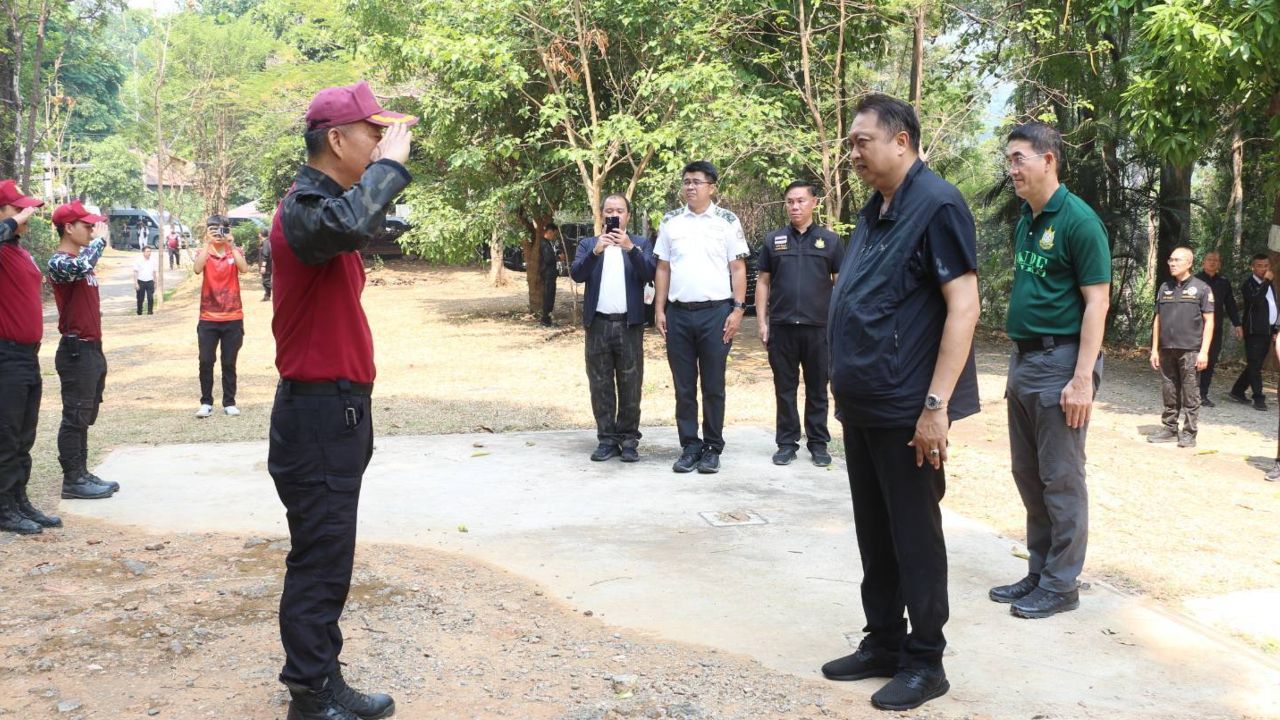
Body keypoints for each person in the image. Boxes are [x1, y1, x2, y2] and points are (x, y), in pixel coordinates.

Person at [821, 94, 979, 712]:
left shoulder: (936, 203)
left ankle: (926, 660)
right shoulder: (876, 208)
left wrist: (935, 406)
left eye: (863, 141)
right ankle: (883, 641)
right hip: (862, 405)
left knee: (914, 535)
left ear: (902, 141)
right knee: (875, 534)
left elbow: (964, 306)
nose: (853, 151)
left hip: (907, 409)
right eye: (851, 142)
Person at [268, 79, 414, 720]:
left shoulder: (328, 209)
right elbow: (350, 221)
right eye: (372, 132)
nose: (382, 141)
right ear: (336, 138)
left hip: (337, 408)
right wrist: (389, 171)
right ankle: (310, 693)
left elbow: (358, 222)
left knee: (329, 549)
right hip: (320, 411)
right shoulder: (305, 207)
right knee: (321, 556)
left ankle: (323, 678)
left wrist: (378, 175)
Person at [992, 121, 1111, 621]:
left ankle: (1062, 584)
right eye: (1009, 159)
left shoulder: (1079, 221)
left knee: (1061, 477)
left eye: (1019, 158)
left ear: (1049, 159)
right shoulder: (1027, 219)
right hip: (1024, 360)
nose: (1011, 168)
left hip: (1061, 363)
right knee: (1028, 473)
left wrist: (1082, 378)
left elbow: (1097, 302)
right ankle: (1040, 571)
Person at [653, 160, 750, 474]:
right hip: (679, 314)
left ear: (712, 186)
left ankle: (712, 447)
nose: (690, 187)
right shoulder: (671, 221)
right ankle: (689, 446)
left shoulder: (726, 221)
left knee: (713, 384)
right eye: (686, 181)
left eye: (696, 181)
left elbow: (738, 268)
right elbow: (663, 268)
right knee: (683, 386)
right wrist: (659, 309)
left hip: (716, 314)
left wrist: (738, 310)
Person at [755, 180, 844, 467]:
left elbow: (840, 283)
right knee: (785, 387)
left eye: (801, 201)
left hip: (819, 328)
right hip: (782, 327)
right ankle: (786, 443)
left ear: (814, 202)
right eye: (790, 201)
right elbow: (763, 282)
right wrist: (762, 322)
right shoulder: (773, 240)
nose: (795, 206)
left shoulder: (830, 241)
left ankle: (818, 443)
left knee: (818, 388)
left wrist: (838, 324)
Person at [570, 194, 656, 462]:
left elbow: (650, 273)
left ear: (628, 215)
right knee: (600, 383)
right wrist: (597, 251)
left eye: (619, 210)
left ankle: (629, 439)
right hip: (598, 324)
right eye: (609, 211)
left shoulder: (641, 243)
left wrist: (630, 248)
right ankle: (606, 439)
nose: (614, 215)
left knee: (631, 384)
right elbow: (576, 274)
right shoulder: (588, 244)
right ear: (601, 215)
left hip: (629, 325)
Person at [0, 181, 62, 534]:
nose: (26, 215)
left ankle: (19, 500)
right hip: (5, 355)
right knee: (6, 435)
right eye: (17, 209)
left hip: (27, 355)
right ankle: (4, 507)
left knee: (24, 434)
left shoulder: (17, 249)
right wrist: (12, 221)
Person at [47, 200, 120, 501]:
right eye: (87, 225)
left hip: (91, 348)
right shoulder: (60, 261)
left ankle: (83, 473)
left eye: (94, 226)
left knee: (85, 413)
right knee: (75, 415)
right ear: (68, 227)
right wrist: (101, 241)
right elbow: (81, 265)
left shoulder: (81, 260)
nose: (92, 230)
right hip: (76, 350)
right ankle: (73, 480)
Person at [1148, 247, 1214, 448]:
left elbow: (1209, 321)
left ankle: (1189, 433)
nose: (1172, 263)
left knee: (1190, 392)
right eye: (1170, 259)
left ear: (1189, 263)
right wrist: (1154, 348)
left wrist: (1204, 351)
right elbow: (1158, 319)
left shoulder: (1202, 288)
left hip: (1191, 350)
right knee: (1169, 389)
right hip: (1167, 348)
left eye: (1177, 260)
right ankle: (1169, 428)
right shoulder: (1164, 287)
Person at [193, 216, 249, 418]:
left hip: (233, 316)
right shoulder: (204, 252)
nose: (219, 234)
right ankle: (206, 402)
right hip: (208, 317)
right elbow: (197, 269)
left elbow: (243, 268)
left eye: (222, 229)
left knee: (229, 361)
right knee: (206, 360)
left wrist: (231, 245)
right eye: (214, 229)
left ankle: (229, 402)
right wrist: (207, 244)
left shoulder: (234, 251)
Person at [1229, 253, 1275, 411]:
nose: (1263, 269)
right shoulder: (1249, 284)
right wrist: (1267, 281)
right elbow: (1255, 300)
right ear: (1253, 267)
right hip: (1254, 330)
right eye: (1260, 266)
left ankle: (1237, 390)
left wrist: (1275, 328)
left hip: (1268, 330)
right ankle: (1258, 398)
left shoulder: (1269, 284)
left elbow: (1272, 305)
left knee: (1255, 364)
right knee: (1255, 364)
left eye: (1266, 266)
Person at [1194, 251, 1239, 406]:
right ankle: (1189, 392)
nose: (1212, 262)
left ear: (1219, 264)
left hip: (1215, 328)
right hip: (1195, 327)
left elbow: (1231, 304)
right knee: (1192, 360)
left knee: (1210, 361)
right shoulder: (1195, 280)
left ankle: (1202, 394)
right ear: (1203, 262)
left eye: (1216, 260)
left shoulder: (1223, 282)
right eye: (1209, 260)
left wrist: (1237, 324)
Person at [539, 222, 561, 326]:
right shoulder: (544, 243)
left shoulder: (549, 243)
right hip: (547, 275)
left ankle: (548, 318)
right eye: (554, 234)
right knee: (548, 297)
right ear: (549, 232)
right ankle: (545, 319)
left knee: (550, 296)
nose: (554, 236)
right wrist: (558, 258)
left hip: (551, 275)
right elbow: (548, 259)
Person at [133, 245, 157, 315]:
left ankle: (150, 312)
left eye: (150, 251)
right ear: (143, 252)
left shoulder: (153, 261)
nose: (149, 253)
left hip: (150, 281)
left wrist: (155, 282)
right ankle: (139, 312)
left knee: (150, 298)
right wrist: (136, 282)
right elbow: (135, 272)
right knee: (140, 298)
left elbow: (154, 272)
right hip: (141, 281)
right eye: (147, 251)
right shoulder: (138, 260)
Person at [260, 229, 273, 301]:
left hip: (267, 265)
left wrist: (263, 266)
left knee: (266, 281)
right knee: (265, 280)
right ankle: (267, 296)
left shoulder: (266, 243)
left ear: (260, 234)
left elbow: (265, 254)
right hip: (267, 265)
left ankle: (277, 289)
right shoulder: (266, 242)